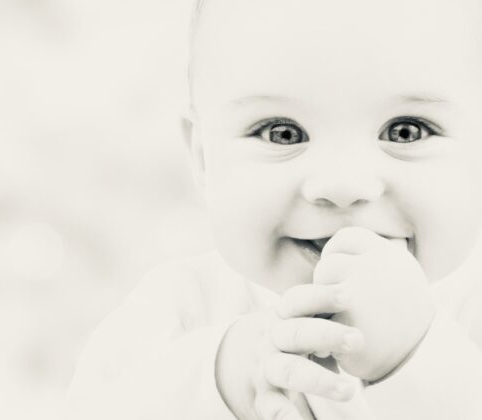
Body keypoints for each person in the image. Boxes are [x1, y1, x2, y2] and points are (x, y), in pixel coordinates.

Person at [61, 0, 482, 418]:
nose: (342, 185)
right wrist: (220, 381)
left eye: (406, 131)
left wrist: (419, 360)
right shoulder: (176, 312)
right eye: (283, 133)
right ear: (204, 158)